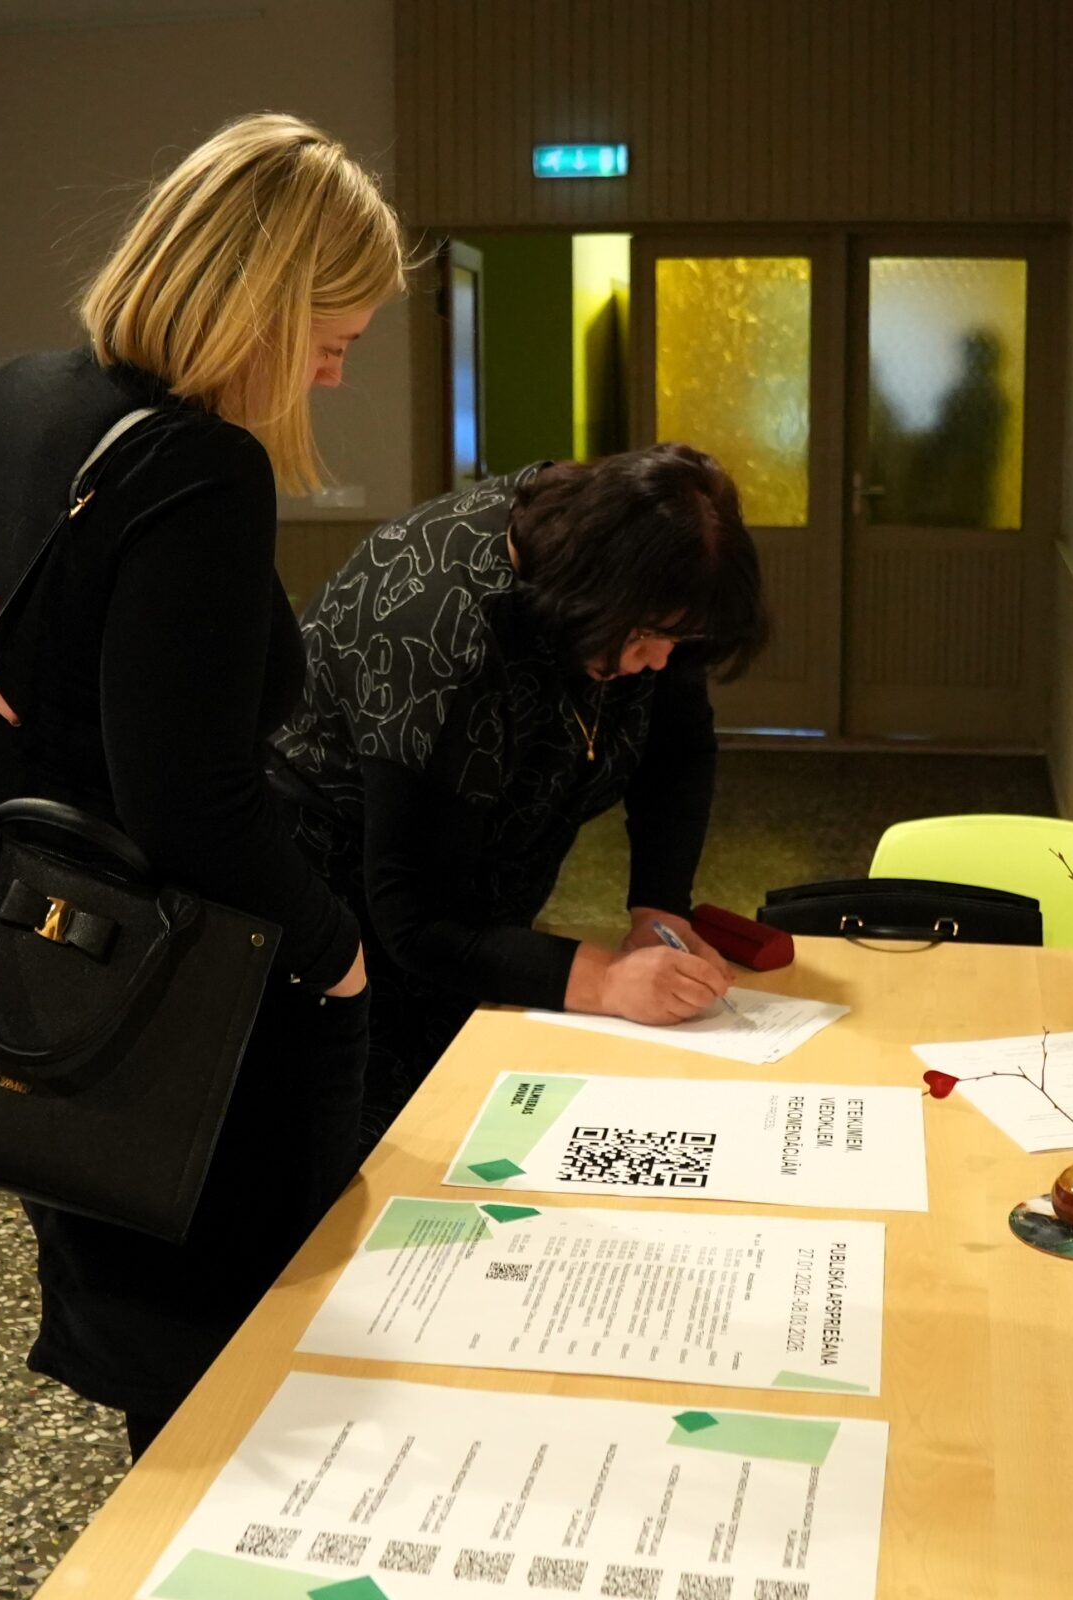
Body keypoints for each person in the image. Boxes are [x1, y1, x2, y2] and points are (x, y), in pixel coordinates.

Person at [0, 114, 406, 1461]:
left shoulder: (12, 401)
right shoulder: (199, 468)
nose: (335, 367)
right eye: (333, 334)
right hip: (175, 982)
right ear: (264, 302)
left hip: (34, 961)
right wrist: (339, 954)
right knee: (240, 1354)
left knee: (156, 1341)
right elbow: (190, 804)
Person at [270, 445, 769, 1139]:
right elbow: (416, 921)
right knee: (388, 1146)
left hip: (476, 908)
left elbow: (676, 748)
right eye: (651, 639)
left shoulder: (642, 576)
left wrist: (660, 906)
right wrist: (605, 982)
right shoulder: (443, 636)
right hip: (339, 923)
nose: (661, 662)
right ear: (592, 596)